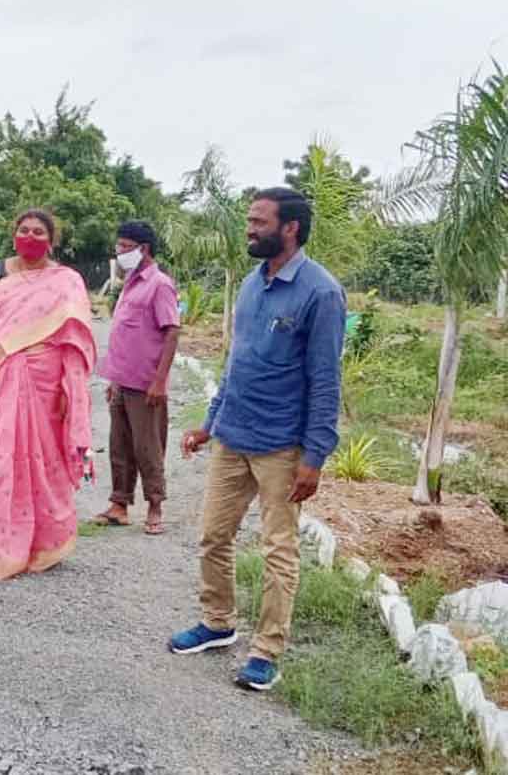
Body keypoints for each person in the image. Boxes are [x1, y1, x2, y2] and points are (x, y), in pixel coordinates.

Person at [169, 187, 345, 691]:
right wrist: (209, 422)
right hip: (232, 435)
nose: (249, 228)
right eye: (249, 220)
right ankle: (217, 622)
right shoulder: (252, 282)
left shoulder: (320, 292)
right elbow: (236, 363)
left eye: (258, 221)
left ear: (289, 228)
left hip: (282, 446)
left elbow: (326, 380)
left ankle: (267, 651)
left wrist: (315, 456)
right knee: (213, 536)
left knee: (277, 549)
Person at [0, 209, 96, 580]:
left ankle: (42, 543)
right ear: (13, 234)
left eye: (39, 231)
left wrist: (68, 388)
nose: (31, 236)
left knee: (41, 461)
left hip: (46, 387)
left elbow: (75, 342)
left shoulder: (66, 281)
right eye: (24, 230)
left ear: (52, 239)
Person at [93, 221, 180, 535]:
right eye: (118, 246)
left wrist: (160, 381)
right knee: (119, 446)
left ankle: (155, 507)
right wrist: (113, 380)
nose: (119, 252)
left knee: (148, 448)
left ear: (143, 249)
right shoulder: (129, 283)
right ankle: (120, 504)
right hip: (122, 380)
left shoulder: (159, 284)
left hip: (146, 384)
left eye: (125, 247)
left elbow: (171, 331)